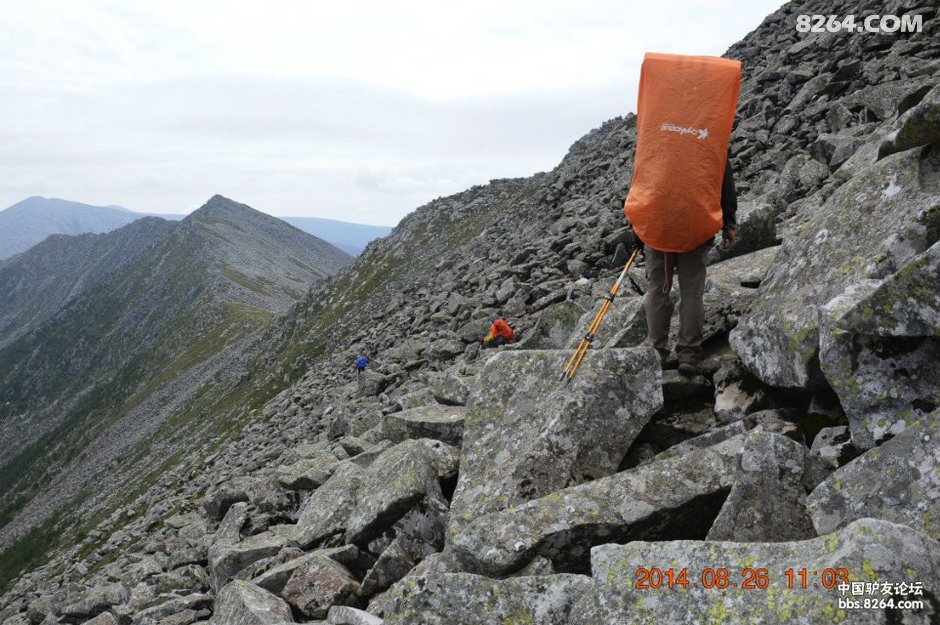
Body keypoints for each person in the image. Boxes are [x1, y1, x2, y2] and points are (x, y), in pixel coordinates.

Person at [641, 155, 737, 376]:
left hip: (659, 224)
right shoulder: (709, 133)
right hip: (695, 224)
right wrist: (729, 223)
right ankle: (688, 354)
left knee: (658, 290)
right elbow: (725, 182)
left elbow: (642, 180)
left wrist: (638, 226)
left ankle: (657, 352)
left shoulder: (660, 134)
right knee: (692, 292)